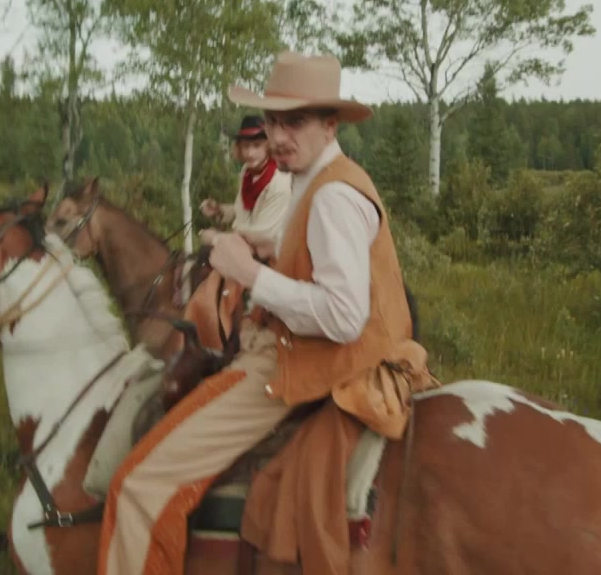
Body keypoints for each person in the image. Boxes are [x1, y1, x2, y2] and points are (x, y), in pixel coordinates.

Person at [98, 51, 435, 575]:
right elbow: (317, 255)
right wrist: (267, 246)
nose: (278, 136)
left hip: (310, 363)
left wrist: (251, 275)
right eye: (274, 121)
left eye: (294, 122)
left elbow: (345, 316)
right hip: (319, 352)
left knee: (139, 484)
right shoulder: (319, 178)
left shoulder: (333, 196)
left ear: (329, 124)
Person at [197, 114, 291, 248]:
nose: (250, 153)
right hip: (244, 247)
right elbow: (245, 213)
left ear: (268, 146)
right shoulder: (247, 172)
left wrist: (216, 238)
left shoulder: (279, 182)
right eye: (245, 146)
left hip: (269, 254)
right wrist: (220, 210)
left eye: (257, 146)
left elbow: (261, 238)